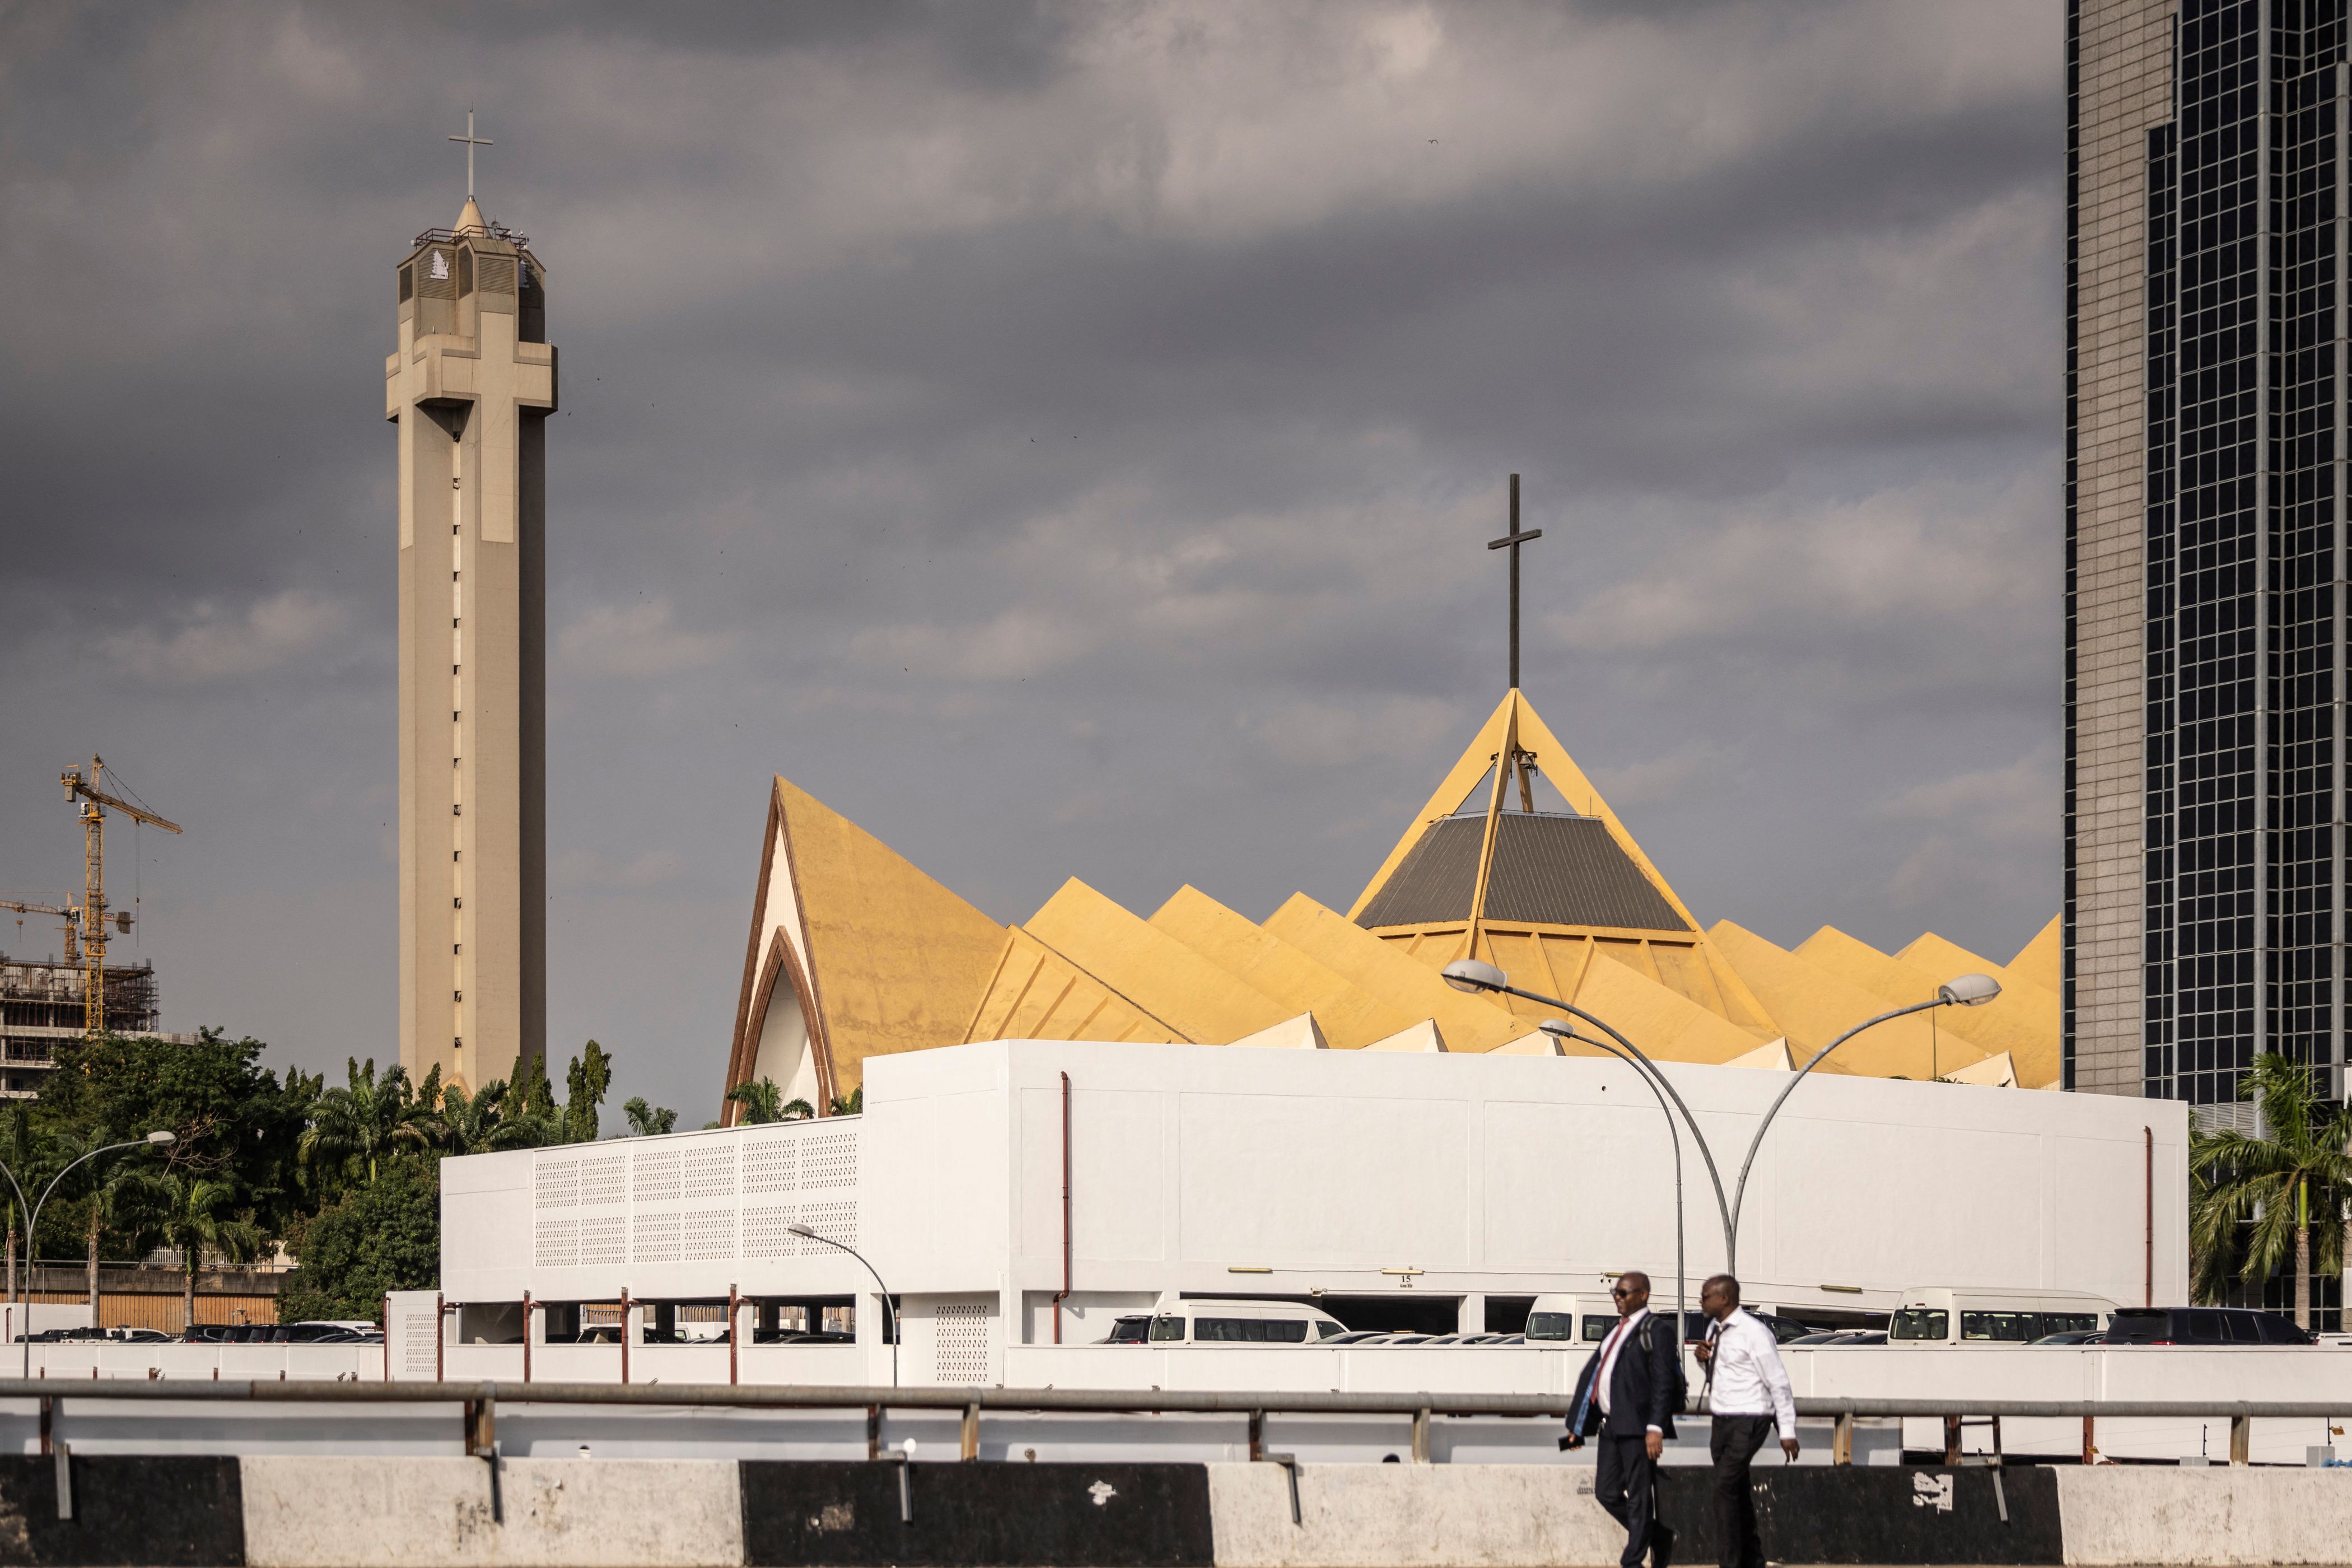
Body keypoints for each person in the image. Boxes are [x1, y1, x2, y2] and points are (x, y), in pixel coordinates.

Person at [1561, 1271, 1681, 1568]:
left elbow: (1664, 1382)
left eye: (1624, 1293)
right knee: (1606, 1492)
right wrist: (1578, 1427)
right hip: (1611, 1425)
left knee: (1640, 1497)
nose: (1617, 1296)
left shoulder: (1657, 1331)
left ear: (1643, 1295)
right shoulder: (1616, 1329)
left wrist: (1656, 1428)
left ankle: (1632, 1561)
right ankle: (1659, 1536)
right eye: (1616, 1292)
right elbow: (1592, 1378)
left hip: (1640, 1428)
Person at [1689, 1273, 1798, 1568]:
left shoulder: (1754, 1333)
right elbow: (1723, 1373)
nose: (1701, 1301)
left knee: (1724, 1487)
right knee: (1736, 1489)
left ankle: (1730, 1563)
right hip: (1722, 1419)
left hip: (1751, 1418)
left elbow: (1779, 1383)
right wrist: (1702, 1359)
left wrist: (1786, 1430)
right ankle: (1753, 1560)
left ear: (1724, 1299)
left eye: (1706, 1295)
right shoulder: (1715, 1328)